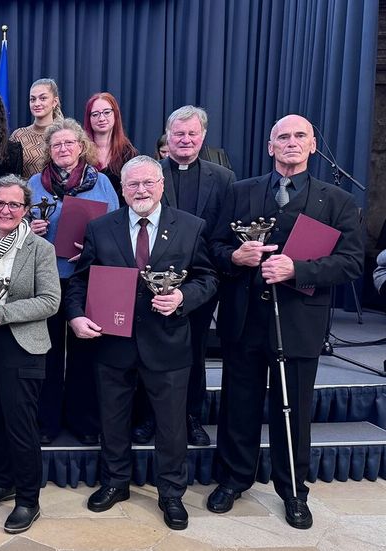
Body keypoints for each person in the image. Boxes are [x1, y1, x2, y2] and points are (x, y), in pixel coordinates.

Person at [207, 114, 363, 530]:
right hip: (243, 321)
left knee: (293, 409)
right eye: (282, 137)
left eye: (299, 136)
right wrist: (234, 258)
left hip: (298, 323)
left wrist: (298, 270)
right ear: (269, 146)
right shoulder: (239, 192)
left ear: (313, 146)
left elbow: (350, 263)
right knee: (237, 406)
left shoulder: (338, 201)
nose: (290, 143)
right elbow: (215, 247)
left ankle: (293, 489)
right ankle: (232, 480)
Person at [64, 155, 217, 530]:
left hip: (168, 342)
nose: (141, 190)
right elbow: (80, 280)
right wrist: (75, 315)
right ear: (122, 188)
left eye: (148, 183)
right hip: (112, 340)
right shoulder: (101, 227)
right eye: (133, 184)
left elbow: (208, 278)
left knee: (170, 424)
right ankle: (116, 482)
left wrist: (184, 298)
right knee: (112, 419)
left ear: (162, 185)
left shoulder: (191, 227)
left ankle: (171, 493)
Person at [131, 106, 236, 447]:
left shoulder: (222, 178)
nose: (186, 140)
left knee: (195, 350)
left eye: (192, 133)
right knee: (150, 350)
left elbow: (224, 233)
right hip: (151, 282)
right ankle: (149, 416)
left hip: (201, 283)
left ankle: (190, 415)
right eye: (179, 134)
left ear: (203, 136)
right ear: (167, 137)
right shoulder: (150, 173)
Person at [0, 176, 59, 534]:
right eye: (0, 203)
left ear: (26, 210)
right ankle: (4, 481)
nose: (5, 210)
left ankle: (28, 500)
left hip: (20, 343)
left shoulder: (39, 249)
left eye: (14, 205)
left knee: (20, 425)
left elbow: (51, 301)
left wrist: (4, 314)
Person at [26, 118, 118, 445]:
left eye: (69, 143)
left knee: (85, 354)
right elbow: (15, 225)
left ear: (81, 146)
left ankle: (84, 422)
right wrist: (30, 229)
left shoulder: (102, 182)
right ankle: (46, 423)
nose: (63, 149)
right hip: (45, 279)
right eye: (56, 145)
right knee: (46, 353)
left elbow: (116, 228)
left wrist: (95, 249)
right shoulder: (35, 182)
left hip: (86, 278)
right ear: (48, 151)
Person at [83, 92, 138, 199]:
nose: (102, 118)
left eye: (107, 112)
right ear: (88, 119)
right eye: (95, 114)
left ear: (115, 114)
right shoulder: (79, 151)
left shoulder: (129, 154)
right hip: (85, 212)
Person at [11, 79, 64, 179]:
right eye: (33, 99)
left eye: (43, 98)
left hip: (59, 193)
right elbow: (10, 175)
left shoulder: (64, 134)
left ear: (55, 102)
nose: (37, 103)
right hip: (26, 193)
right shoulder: (18, 135)